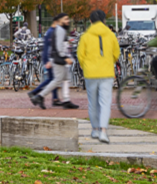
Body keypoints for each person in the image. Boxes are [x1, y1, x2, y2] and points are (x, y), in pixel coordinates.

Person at [77, 9, 120, 144]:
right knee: (105, 102)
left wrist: (84, 65)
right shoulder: (111, 35)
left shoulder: (85, 36)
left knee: (93, 102)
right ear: (104, 20)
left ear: (90, 21)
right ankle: (103, 131)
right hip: (106, 72)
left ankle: (95, 129)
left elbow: (80, 55)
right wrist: (110, 62)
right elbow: (116, 53)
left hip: (90, 73)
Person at [31, 13, 78, 110]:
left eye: (68, 19)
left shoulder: (59, 30)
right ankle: (40, 96)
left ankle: (66, 100)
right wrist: (65, 57)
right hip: (59, 59)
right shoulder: (60, 30)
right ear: (60, 20)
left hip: (58, 58)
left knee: (65, 79)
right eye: (65, 19)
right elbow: (58, 46)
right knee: (57, 80)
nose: (68, 21)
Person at [28, 17, 61, 107]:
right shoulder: (51, 32)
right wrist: (49, 60)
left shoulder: (50, 31)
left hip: (48, 58)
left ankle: (55, 98)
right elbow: (50, 48)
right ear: (56, 22)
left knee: (53, 78)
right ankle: (35, 93)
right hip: (49, 59)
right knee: (52, 79)